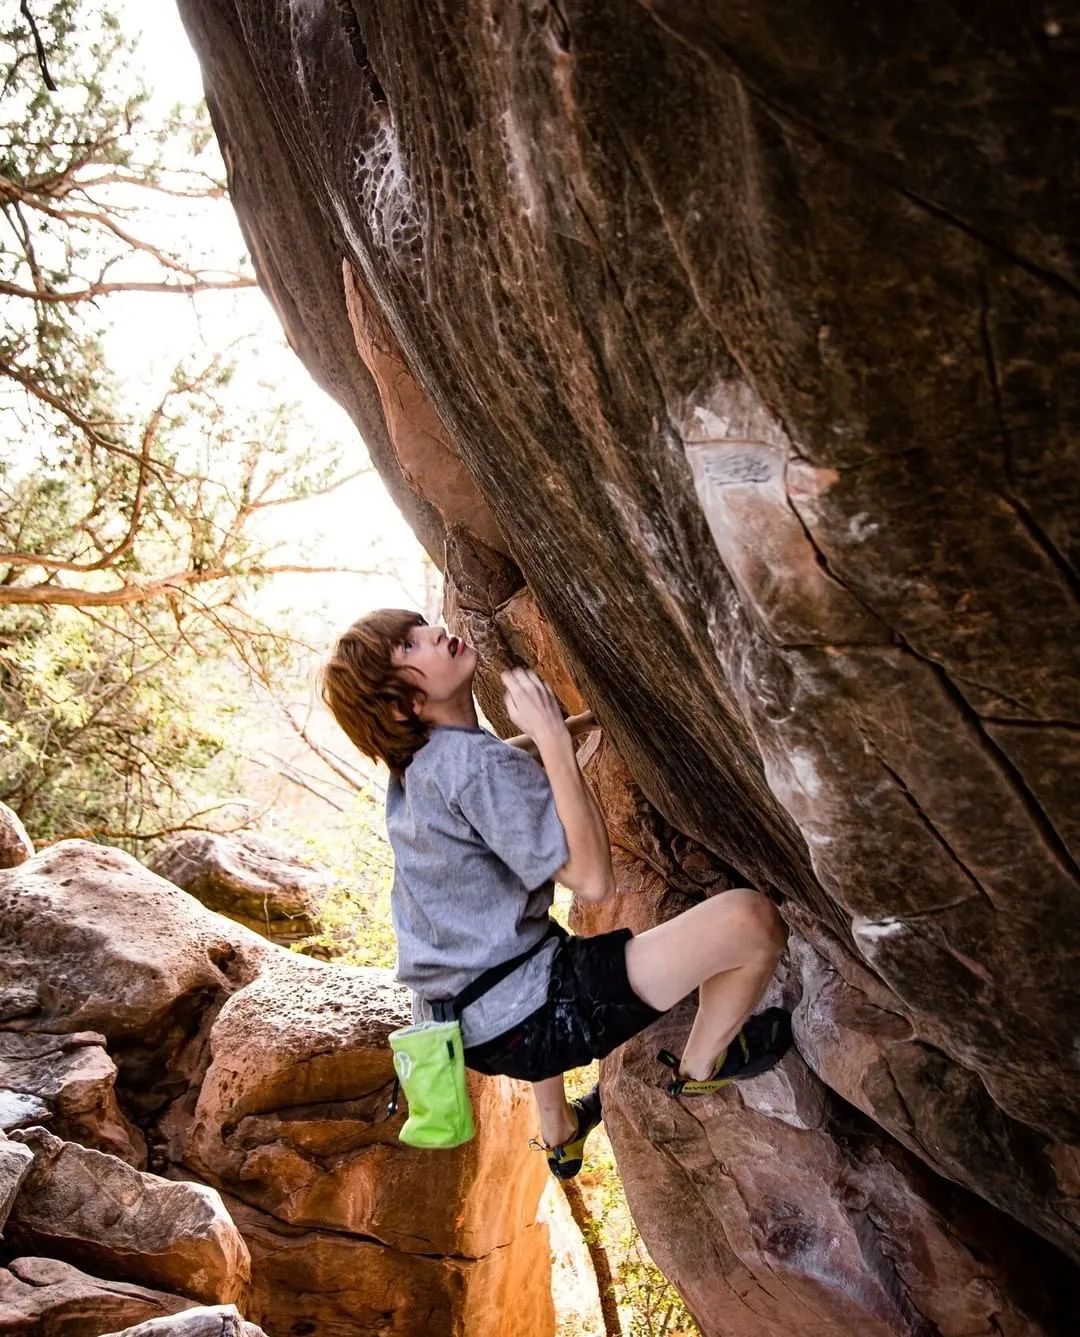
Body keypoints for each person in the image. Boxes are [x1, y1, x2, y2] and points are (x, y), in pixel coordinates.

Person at [320, 609, 791, 1179]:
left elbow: (483, 774)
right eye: (409, 645)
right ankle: (700, 1068)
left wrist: (547, 738)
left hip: (460, 1024)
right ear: (403, 706)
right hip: (534, 1021)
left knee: (532, 939)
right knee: (751, 920)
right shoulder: (475, 768)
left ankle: (558, 1129)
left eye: (420, 625)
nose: (434, 633)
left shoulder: (415, 769)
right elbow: (594, 881)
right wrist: (552, 740)